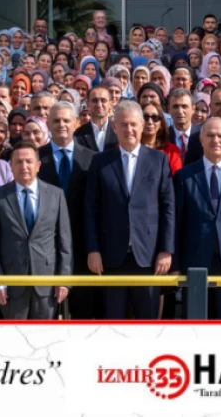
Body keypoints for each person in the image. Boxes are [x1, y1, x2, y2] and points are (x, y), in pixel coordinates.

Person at [85, 101, 176, 319]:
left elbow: (169, 207)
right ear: (114, 127)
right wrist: (93, 250)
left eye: (134, 124)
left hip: (148, 256)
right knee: (114, 323)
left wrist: (166, 250)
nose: (129, 130)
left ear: (142, 125)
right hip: (111, 257)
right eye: (123, 124)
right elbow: (90, 208)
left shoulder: (159, 160)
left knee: (147, 324)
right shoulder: (100, 162)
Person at [0, 141, 72, 320]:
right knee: (15, 334)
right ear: (11, 166)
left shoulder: (56, 195)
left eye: (29, 161)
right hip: (11, 283)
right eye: (18, 162)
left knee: (43, 334)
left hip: (47, 283)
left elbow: (65, 241)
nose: (24, 166)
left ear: (38, 165)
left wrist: (64, 279)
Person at [173, 117, 221, 320]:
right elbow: (176, 224)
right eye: (210, 135)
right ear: (201, 140)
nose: (216, 140)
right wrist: (175, 265)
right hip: (194, 261)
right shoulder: (184, 176)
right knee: (195, 324)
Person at [37, 102, 98, 319]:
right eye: (56, 120)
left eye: (66, 120)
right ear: (48, 124)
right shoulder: (35, 158)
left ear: (76, 123)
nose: (61, 124)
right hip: (46, 249)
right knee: (48, 316)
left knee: (83, 315)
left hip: (83, 248)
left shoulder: (93, 158)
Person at [141, 102, 183, 175]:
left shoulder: (172, 151)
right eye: (145, 117)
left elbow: (176, 178)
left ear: (161, 124)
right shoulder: (129, 148)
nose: (150, 122)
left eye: (155, 118)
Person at [75, 86, 117, 152]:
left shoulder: (119, 131)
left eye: (103, 100)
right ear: (88, 104)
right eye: (94, 100)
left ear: (110, 104)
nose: (99, 105)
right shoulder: (78, 135)